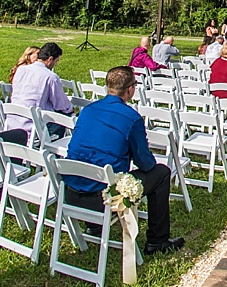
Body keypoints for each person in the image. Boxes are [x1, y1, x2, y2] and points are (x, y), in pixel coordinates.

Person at [62, 66, 184, 255]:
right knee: (161, 173)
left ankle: (93, 225)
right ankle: (157, 240)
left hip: (71, 193)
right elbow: (145, 163)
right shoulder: (131, 118)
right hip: (102, 197)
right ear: (130, 89)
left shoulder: (88, 111)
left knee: (95, 166)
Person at [8, 42, 74, 139]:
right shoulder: (50, 77)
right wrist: (71, 109)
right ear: (50, 59)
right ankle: (55, 149)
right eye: (56, 61)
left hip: (13, 120)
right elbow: (61, 104)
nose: (55, 64)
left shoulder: (21, 70)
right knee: (64, 118)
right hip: (34, 126)